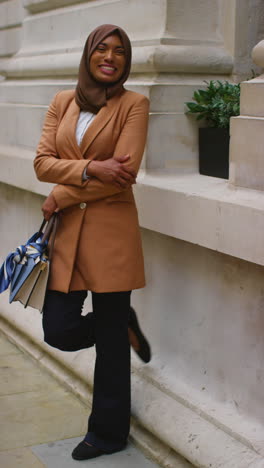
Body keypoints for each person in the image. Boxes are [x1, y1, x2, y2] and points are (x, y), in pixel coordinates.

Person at [34, 24, 151, 461]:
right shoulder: (62, 102)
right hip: (67, 235)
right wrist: (90, 169)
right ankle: (120, 326)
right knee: (59, 329)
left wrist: (63, 190)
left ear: (126, 60)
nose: (111, 57)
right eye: (102, 49)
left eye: (120, 51)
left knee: (111, 347)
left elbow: (125, 172)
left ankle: (107, 434)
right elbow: (42, 162)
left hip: (110, 235)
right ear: (87, 55)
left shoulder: (134, 105)